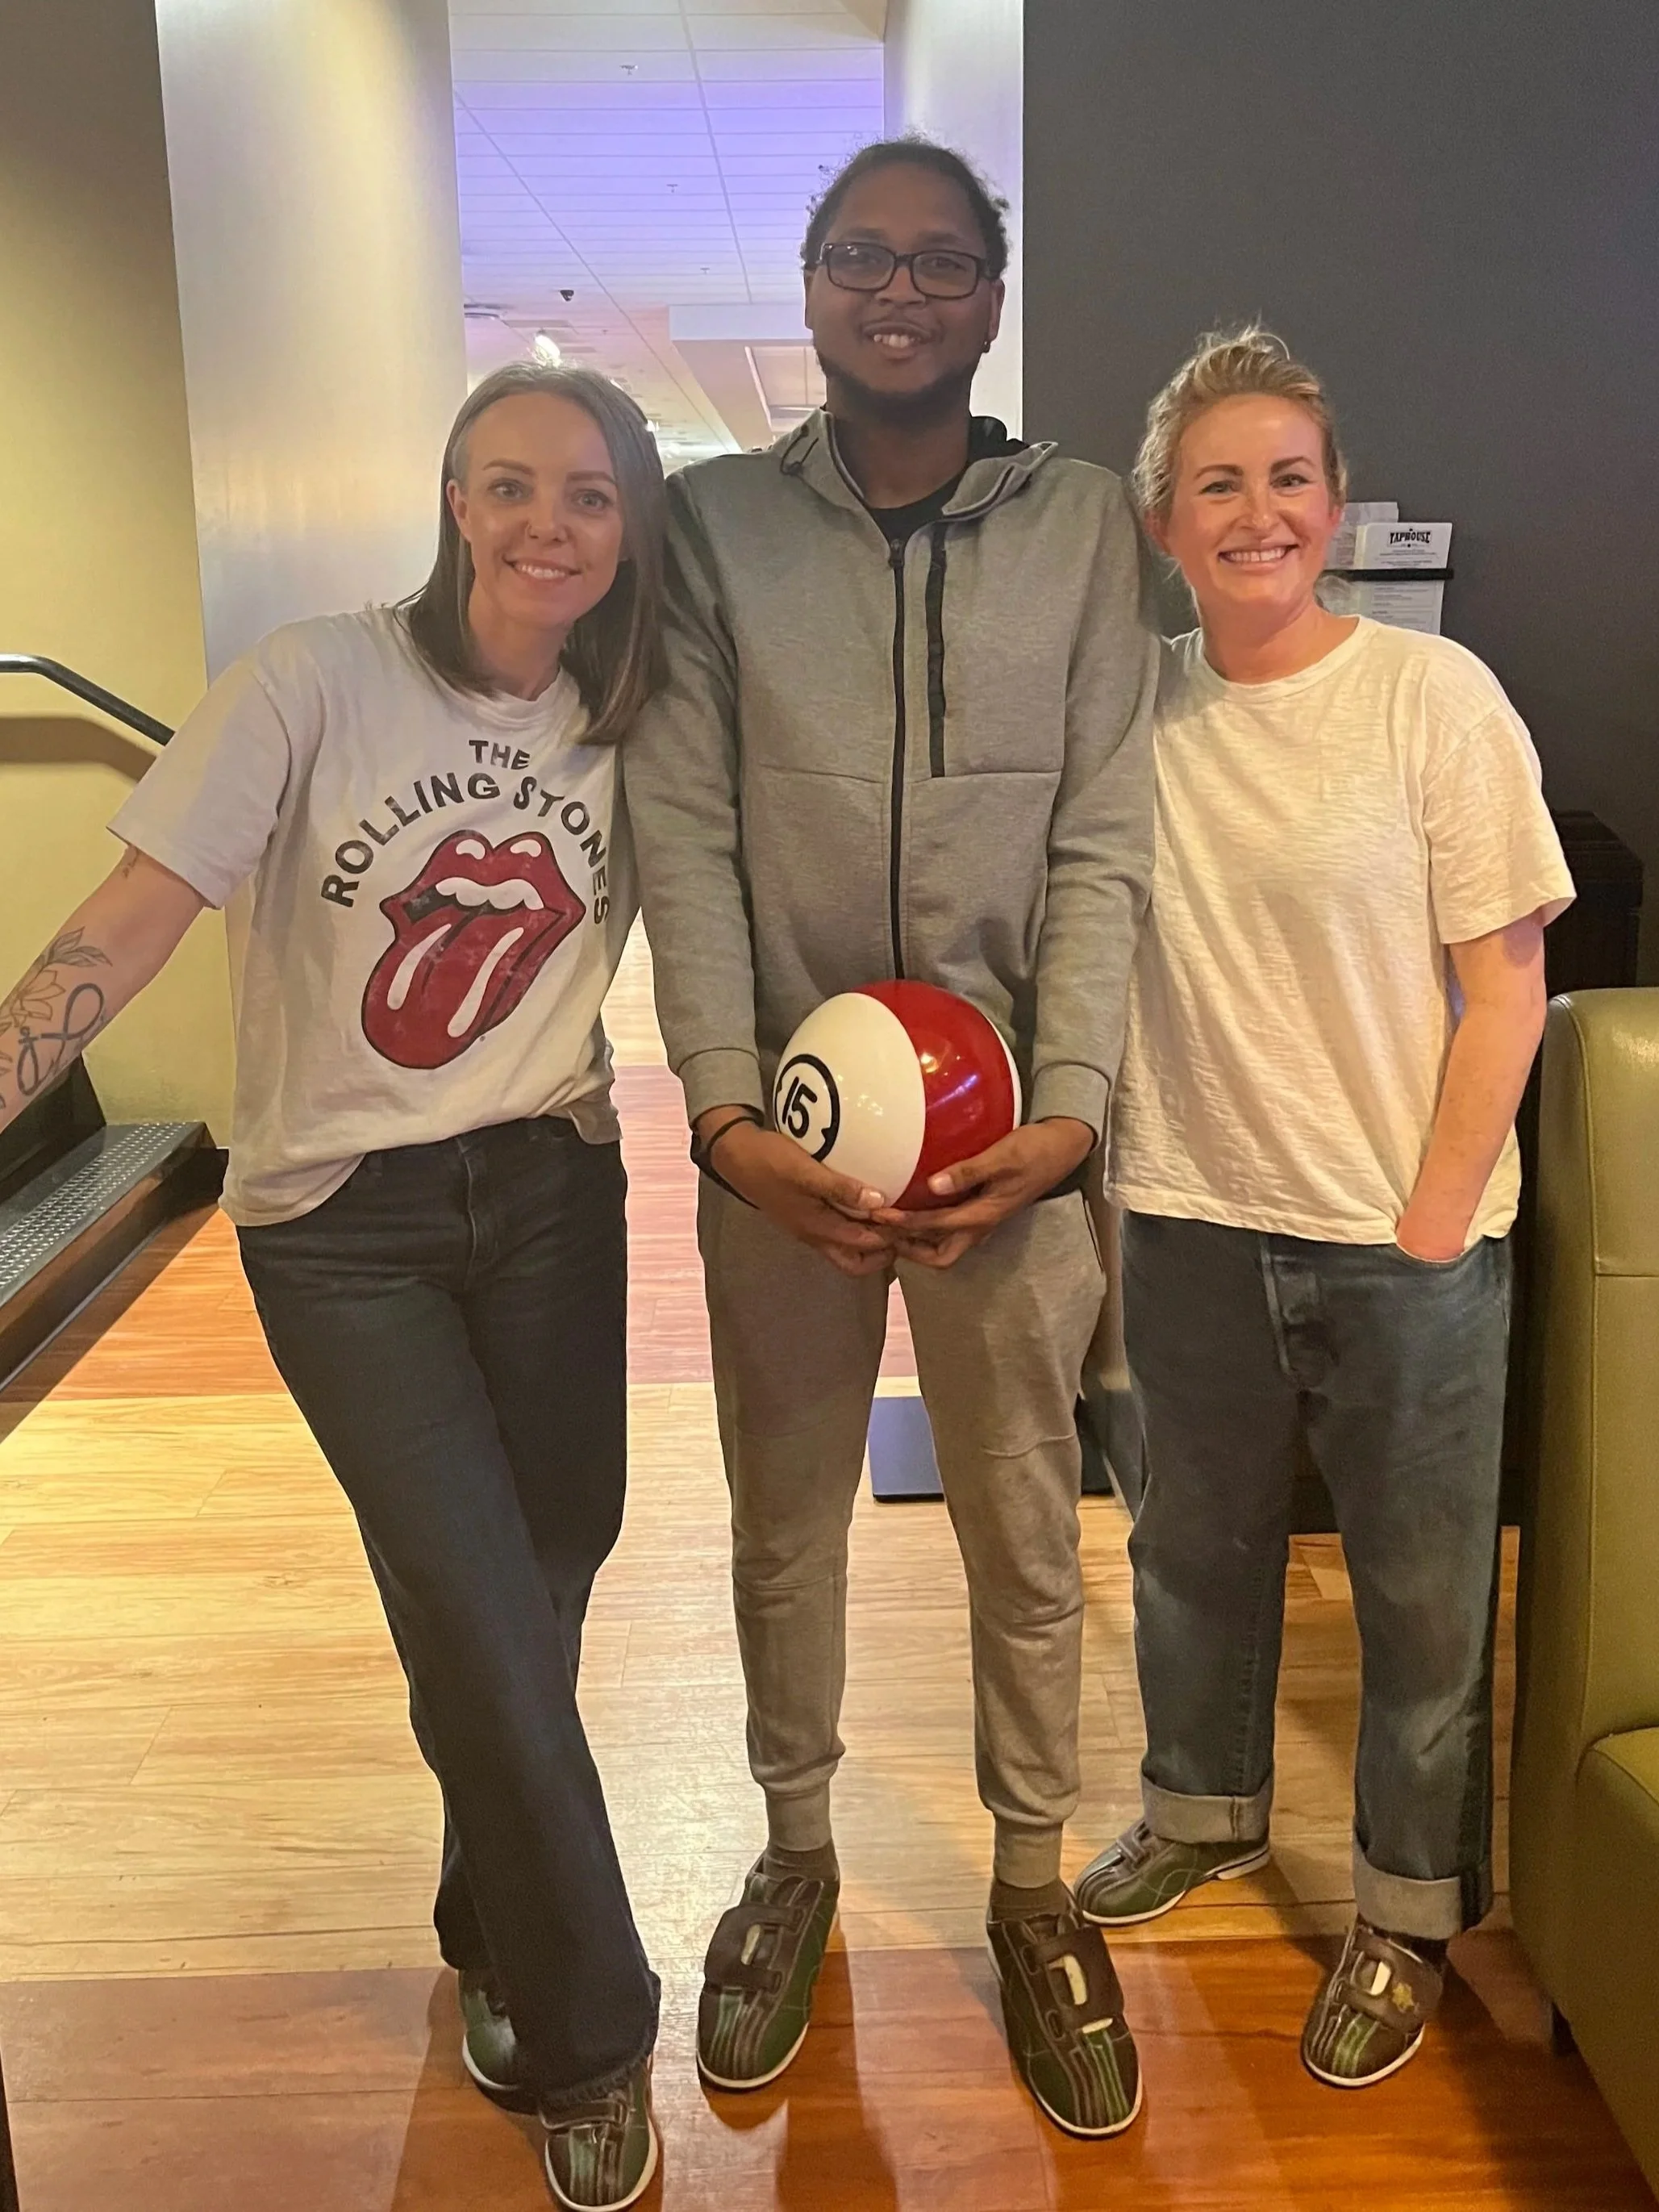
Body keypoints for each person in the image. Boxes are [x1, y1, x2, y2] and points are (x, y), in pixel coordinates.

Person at [0, 364, 669, 2210]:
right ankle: (595, 2030)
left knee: (537, 1588)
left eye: (590, 496)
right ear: (453, 498)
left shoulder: (632, 714)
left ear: (629, 531)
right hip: (341, 1226)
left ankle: (490, 1915)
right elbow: (126, 922)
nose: (550, 524)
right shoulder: (310, 681)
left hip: (552, 1193)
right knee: (471, 1596)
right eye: (512, 483)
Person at [625, 139, 1157, 2139]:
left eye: (943, 263)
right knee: (784, 1515)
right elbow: (679, 825)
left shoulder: (1087, 524)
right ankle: (790, 1851)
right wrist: (717, 1111)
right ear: (812, 283)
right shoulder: (710, 532)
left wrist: (1077, 1112)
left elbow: (1105, 833)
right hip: (791, 1145)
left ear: (993, 296)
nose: (902, 292)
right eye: (865, 258)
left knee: (1028, 1528)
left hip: (1009, 1147)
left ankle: (1031, 1886)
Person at [1075, 328, 1575, 2088]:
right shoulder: (1125, 711)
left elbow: (1505, 984)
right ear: (1161, 521)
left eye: (1286, 475)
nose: (1257, 509)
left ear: (1334, 503)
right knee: (1188, 1560)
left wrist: (1431, 1219)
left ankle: (1406, 1910)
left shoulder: (1431, 701)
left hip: (1402, 1245)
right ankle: (1199, 1811)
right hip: (1190, 1215)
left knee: (1419, 1603)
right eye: (1217, 481)